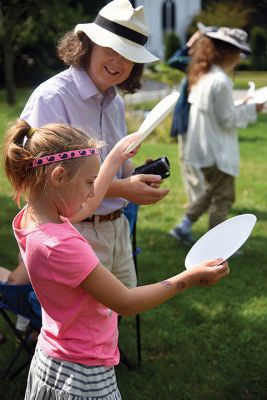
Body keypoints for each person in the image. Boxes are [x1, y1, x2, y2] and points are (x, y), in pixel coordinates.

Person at [3, 119, 229, 399]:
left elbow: (89, 202)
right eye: (88, 182)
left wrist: (114, 158)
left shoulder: (32, 218)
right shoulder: (61, 245)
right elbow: (125, 301)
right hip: (84, 373)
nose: (92, 191)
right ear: (59, 177)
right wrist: (188, 279)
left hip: (53, 356)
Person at [20, 0, 169, 290]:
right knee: (75, 328)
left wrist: (135, 173)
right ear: (87, 45)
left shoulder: (113, 101)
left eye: (128, 56)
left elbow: (118, 161)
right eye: (111, 49)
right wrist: (123, 188)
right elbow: (47, 183)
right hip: (71, 233)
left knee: (112, 323)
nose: (118, 61)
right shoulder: (52, 98)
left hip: (117, 228)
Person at [170, 27, 264, 246]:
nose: (240, 59)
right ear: (228, 54)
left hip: (204, 148)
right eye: (240, 54)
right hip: (216, 150)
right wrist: (253, 108)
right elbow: (227, 119)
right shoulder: (220, 81)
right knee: (223, 198)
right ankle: (215, 246)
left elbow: (217, 112)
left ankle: (183, 226)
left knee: (211, 192)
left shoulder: (203, 75)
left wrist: (242, 106)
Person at [168, 24, 218, 208]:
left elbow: (173, 61)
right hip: (191, 121)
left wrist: (189, 44)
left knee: (191, 164)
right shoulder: (207, 64)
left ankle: (198, 203)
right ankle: (196, 201)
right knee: (190, 163)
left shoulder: (201, 64)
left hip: (191, 122)